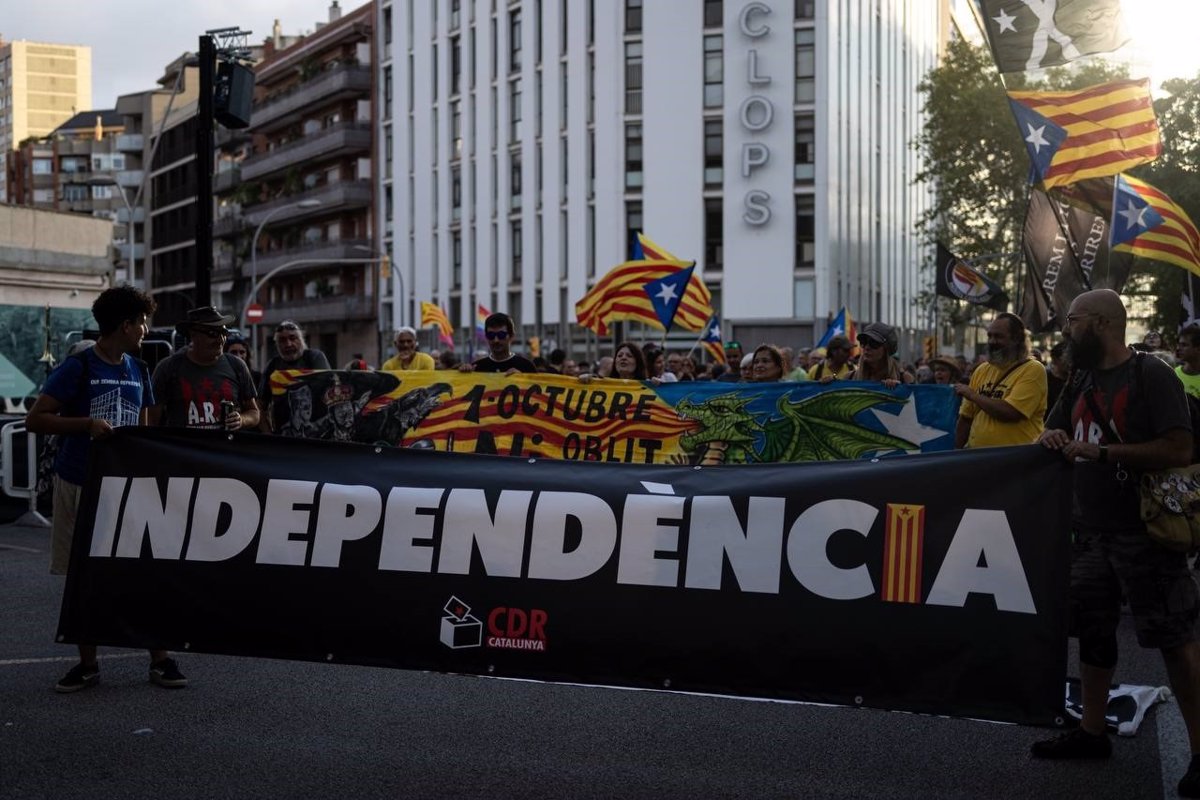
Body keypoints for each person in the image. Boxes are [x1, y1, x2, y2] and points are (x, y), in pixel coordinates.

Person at [1032, 290, 1200, 798]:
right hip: (1090, 532)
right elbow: (1053, 428)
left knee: (1174, 640)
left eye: (1072, 320)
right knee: (1094, 633)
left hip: (1147, 532)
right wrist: (1052, 439)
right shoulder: (1080, 377)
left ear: (1102, 323)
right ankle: (1092, 732)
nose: (1065, 329)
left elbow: (1179, 447)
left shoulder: (1152, 375)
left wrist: (1103, 453)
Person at [25, 285, 188, 693]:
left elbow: (144, 427)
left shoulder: (138, 369)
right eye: (142, 321)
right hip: (79, 481)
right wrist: (86, 425)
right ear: (125, 324)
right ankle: (87, 664)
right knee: (84, 577)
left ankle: (161, 658)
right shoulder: (79, 366)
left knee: (144, 572)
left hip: (126, 487)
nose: (146, 328)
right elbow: (36, 418)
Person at [148, 307, 260, 432]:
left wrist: (241, 420)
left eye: (224, 333)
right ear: (193, 334)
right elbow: (151, 420)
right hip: (183, 450)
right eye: (213, 334)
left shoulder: (237, 365)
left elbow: (254, 413)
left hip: (223, 449)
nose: (220, 340)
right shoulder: (168, 368)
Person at [954, 312, 1046, 449]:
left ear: (1017, 339)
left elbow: (1011, 412)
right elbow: (966, 418)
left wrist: (972, 395)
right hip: (977, 458)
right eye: (989, 336)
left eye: (998, 336)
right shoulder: (981, 370)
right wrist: (956, 453)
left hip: (1015, 459)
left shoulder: (1033, 369)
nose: (991, 341)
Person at [258, 320, 330, 433]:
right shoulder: (272, 365)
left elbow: (328, 393)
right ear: (277, 344)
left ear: (301, 340)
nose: (288, 344)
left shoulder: (315, 357)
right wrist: (268, 434)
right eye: (282, 340)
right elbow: (260, 406)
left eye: (293, 338)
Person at [461, 312, 536, 374]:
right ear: (486, 337)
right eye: (491, 335)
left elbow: (539, 390)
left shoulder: (526, 367)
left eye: (501, 335)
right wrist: (463, 374)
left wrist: (521, 379)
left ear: (511, 336)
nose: (496, 340)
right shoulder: (476, 368)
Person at [850, 323, 913, 387]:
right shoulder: (850, 377)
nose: (867, 347)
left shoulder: (905, 379)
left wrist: (899, 391)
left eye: (873, 343)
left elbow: (916, 395)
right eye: (864, 342)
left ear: (886, 348)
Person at [1176, 325, 1200, 399]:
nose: (1178, 349)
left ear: (1198, 349)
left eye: (1184, 345)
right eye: (1179, 345)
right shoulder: (1174, 374)